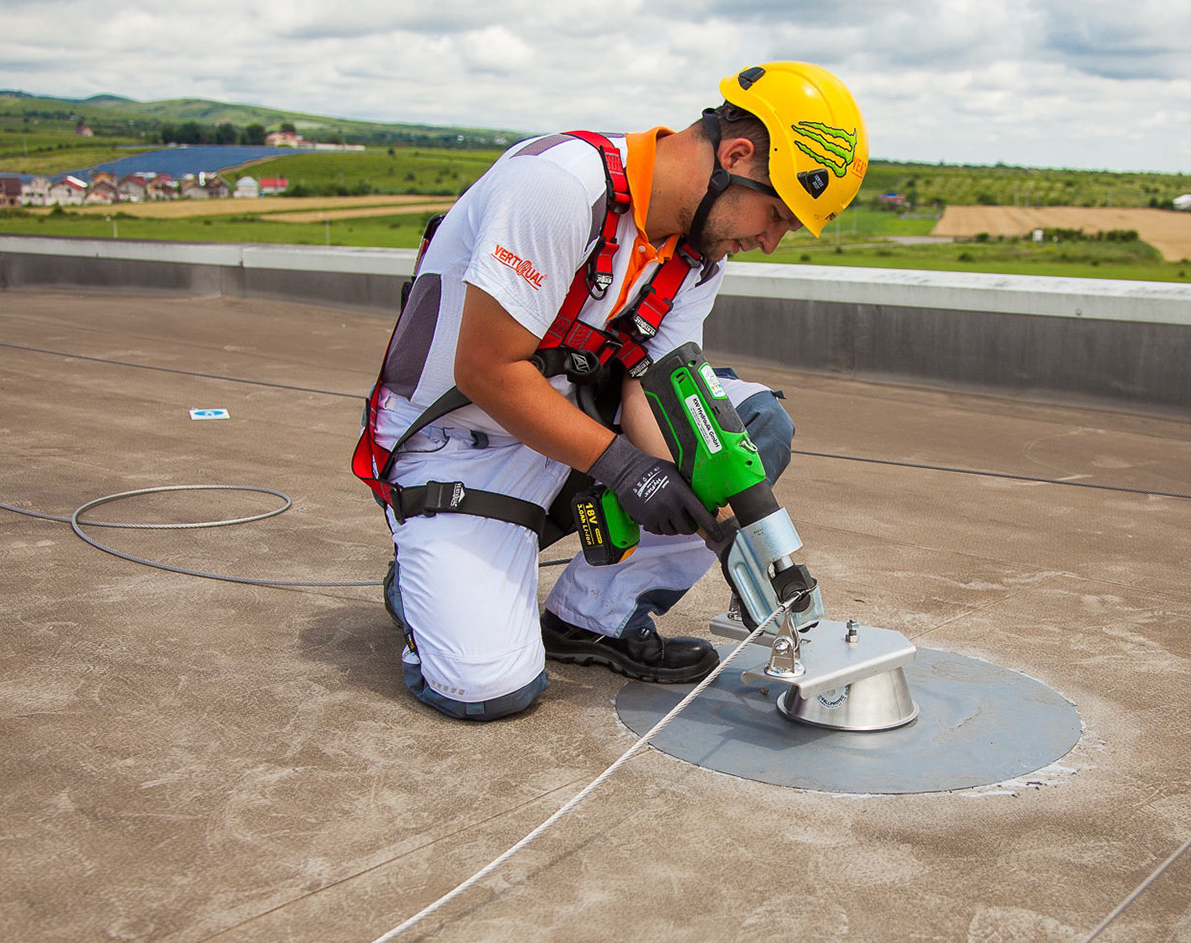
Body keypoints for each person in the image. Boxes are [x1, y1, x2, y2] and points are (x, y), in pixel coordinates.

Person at [353, 61, 867, 722]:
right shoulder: (558, 188)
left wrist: (719, 516)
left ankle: (594, 617)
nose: (770, 240)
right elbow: (486, 369)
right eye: (778, 213)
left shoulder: (697, 256)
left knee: (742, 432)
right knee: (486, 687)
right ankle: (422, 578)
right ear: (736, 155)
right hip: (463, 440)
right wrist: (628, 470)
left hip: (568, 427)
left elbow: (653, 388)